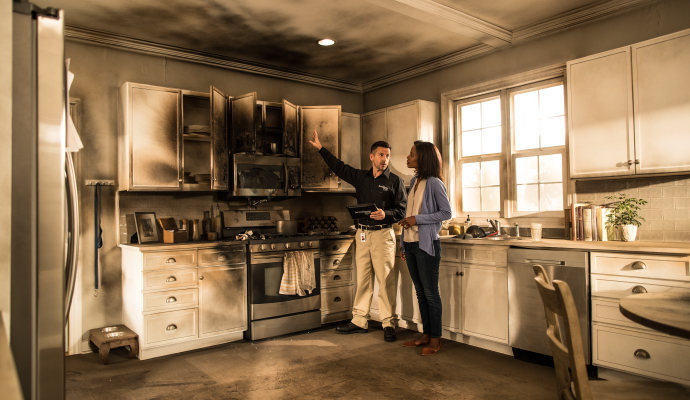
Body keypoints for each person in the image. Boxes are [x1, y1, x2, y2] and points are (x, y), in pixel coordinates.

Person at [309, 130, 407, 342]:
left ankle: (388, 323)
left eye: (388, 155)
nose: (385, 159)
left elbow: (402, 211)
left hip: (383, 236)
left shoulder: (395, 182)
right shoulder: (361, 178)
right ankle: (359, 320)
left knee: (386, 280)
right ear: (372, 157)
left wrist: (386, 214)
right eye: (381, 155)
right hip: (362, 235)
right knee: (363, 280)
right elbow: (339, 167)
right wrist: (321, 149)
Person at [398, 140, 452, 355]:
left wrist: (417, 219)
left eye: (412, 154)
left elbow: (446, 213)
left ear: (423, 158)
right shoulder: (414, 181)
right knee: (420, 293)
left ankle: (436, 339)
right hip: (411, 245)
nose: (408, 157)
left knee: (430, 294)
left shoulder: (434, 183)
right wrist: (403, 244)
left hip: (427, 246)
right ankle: (426, 334)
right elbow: (408, 216)